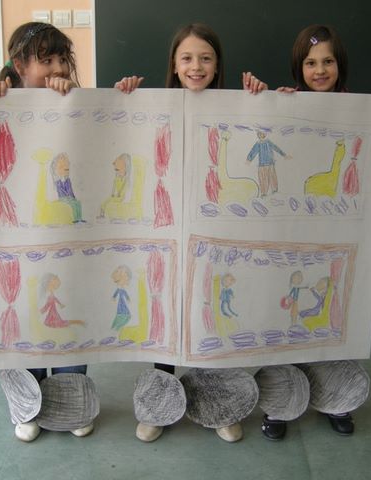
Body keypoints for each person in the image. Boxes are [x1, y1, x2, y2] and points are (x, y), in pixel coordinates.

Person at [115, 23, 268, 443]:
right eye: (187, 58)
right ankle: (158, 408)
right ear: (174, 64)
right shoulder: (155, 104)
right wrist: (123, 97)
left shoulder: (234, 106)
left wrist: (260, 100)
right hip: (165, 232)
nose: (196, 66)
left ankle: (217, 405)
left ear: (217, 65)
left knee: (208, 314)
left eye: (205, 58)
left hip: (212, 234)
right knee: (165, 317)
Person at [259, 24, 371, 441]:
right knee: (287, 316)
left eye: (327, 61)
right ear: (299, 67)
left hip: (338, 237)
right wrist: (274, 108)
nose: (320, 70)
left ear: (339, 65)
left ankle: (335, 398)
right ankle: (280, 402)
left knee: (332, 313)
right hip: (292, 235)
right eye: (310, 63)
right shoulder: (286, 104)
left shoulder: (361, 114)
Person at [0, 21, 90, 443]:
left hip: (67, 241)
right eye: (46, 60)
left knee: (69, 318)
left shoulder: (72, 100)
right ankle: (28, 403)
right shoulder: (0, 101)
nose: (56, 67)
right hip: (20, 238)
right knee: (27, 316)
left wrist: (73, 96)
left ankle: (71, 400)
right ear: (18, 64)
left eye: (62, 58)